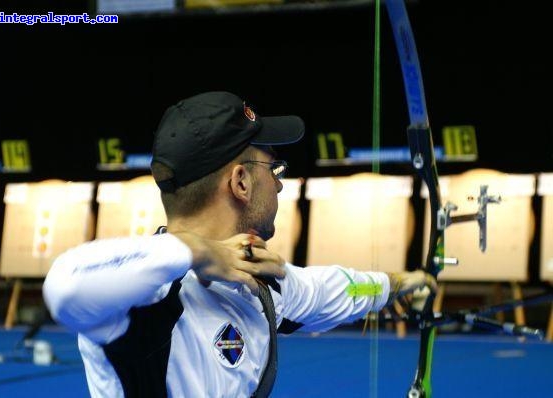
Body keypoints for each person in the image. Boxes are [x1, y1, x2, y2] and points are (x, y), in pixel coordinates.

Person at [43, 91, 437, 398]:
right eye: (273, 168)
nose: (280, 182)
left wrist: (405, 281)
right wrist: (197, 251)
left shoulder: (262, 282)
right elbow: (64, 285)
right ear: (241, 183)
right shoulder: (144, 297)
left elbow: (341, 287)